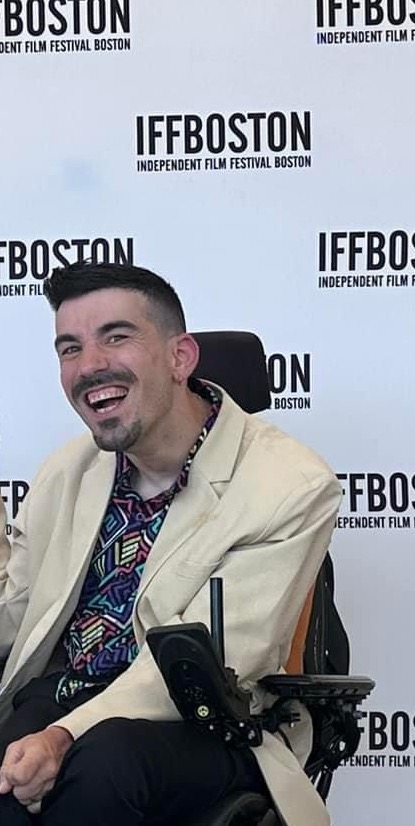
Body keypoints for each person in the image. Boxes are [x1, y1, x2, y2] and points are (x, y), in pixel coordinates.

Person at [0, 262, 341, 826]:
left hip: (203, 720)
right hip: (65, 697)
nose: (89, 367)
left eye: (116, 337)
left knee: (104, 764)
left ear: (181, 357)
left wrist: (61, 736)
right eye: (69, 348)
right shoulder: (68, 470)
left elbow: (207, 665)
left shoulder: (290, 484)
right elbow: (15, 615)